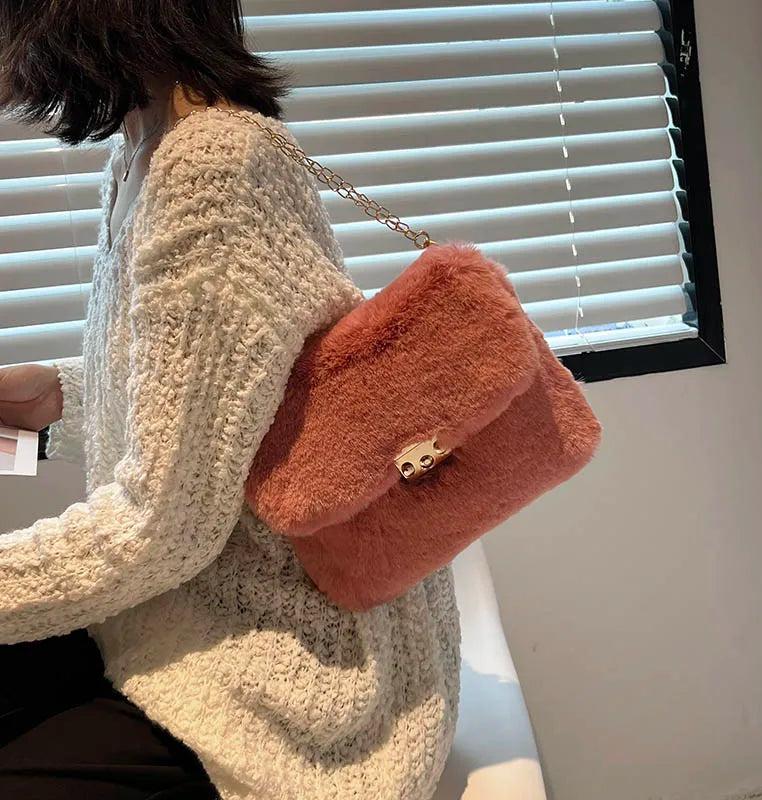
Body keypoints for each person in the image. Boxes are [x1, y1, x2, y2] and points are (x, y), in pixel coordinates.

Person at [0, 2, 461, 799]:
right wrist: (53, 407)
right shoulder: (147, 149)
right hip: (183, 617)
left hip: (291, 681)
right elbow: (209, 413)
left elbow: (161, 528)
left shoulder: (210, 167)